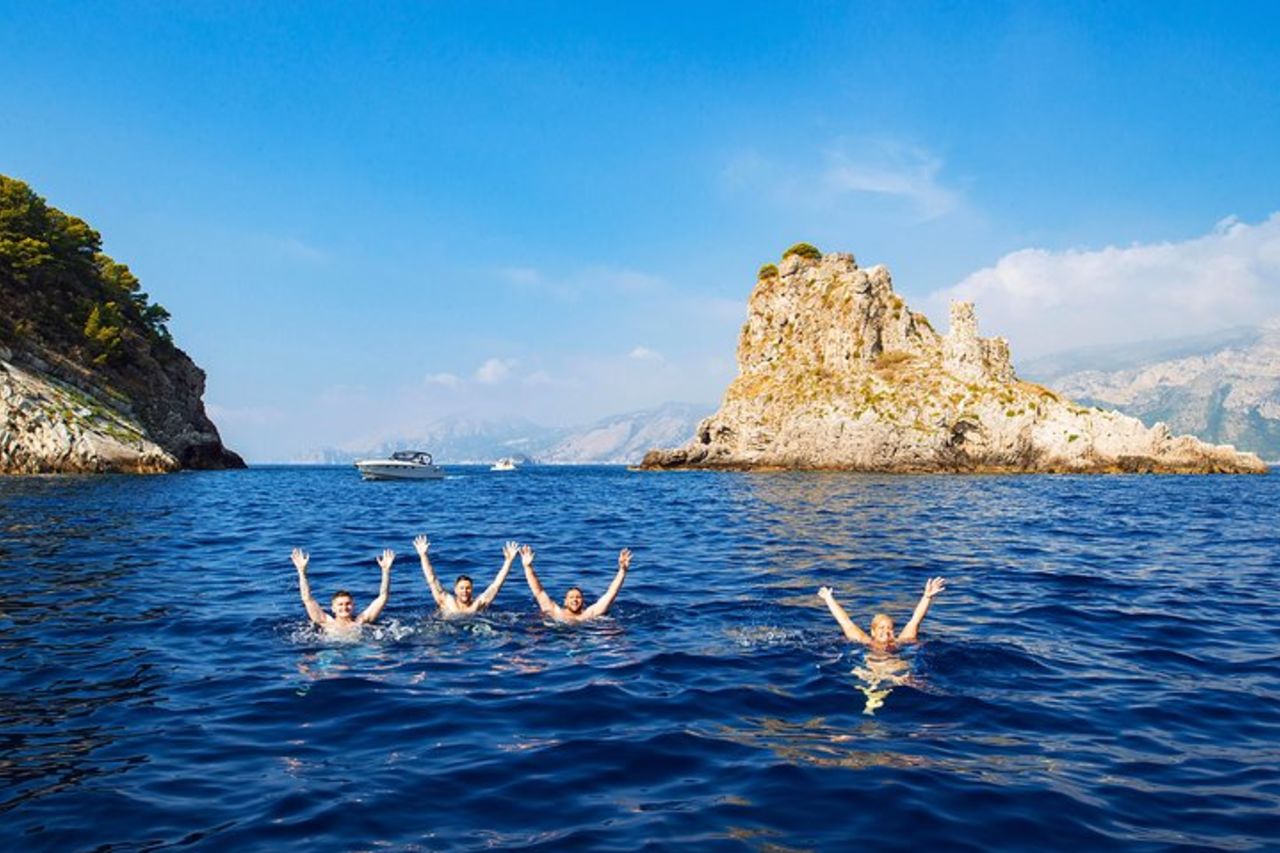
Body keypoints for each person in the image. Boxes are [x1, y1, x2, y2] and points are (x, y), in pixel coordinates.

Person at [817, 577, 946, 650]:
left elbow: (916, 619)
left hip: (897, 671)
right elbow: (845, 622)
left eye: (890, 628)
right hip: (872, 672)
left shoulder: (901, 641)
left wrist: (927, 597)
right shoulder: (865, 641)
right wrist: (829, 599)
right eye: (882, 627)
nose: (886, 631)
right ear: (873, 631)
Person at [291, 547, 394, 634]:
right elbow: (307, 598)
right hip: (331, 653)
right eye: (340, 604)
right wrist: (302, 572)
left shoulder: (360, 621)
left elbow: (383, 597)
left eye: (348, 603)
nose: (344, 607)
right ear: (333, 608)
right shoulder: (325, 621)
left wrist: (386, 571)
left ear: (353, 605)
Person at [520, 543, 631, 623]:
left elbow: (611, 594)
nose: (575, 600)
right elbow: (539, 592)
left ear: (583, 601)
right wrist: (527, 567)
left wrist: (622, 571)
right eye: (571, 597)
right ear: (565, 601)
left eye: (578, 597)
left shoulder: (589, 614)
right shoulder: (556, 612)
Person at [414, 534, 518, 617]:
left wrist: (508, 561)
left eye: (468, 588)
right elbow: (432, 579)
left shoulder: (478, 604)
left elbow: (496, 585)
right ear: (455, 590)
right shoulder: (446, 601)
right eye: (462, 588)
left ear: (472, 590)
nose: (465, 591)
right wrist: (423, 556)